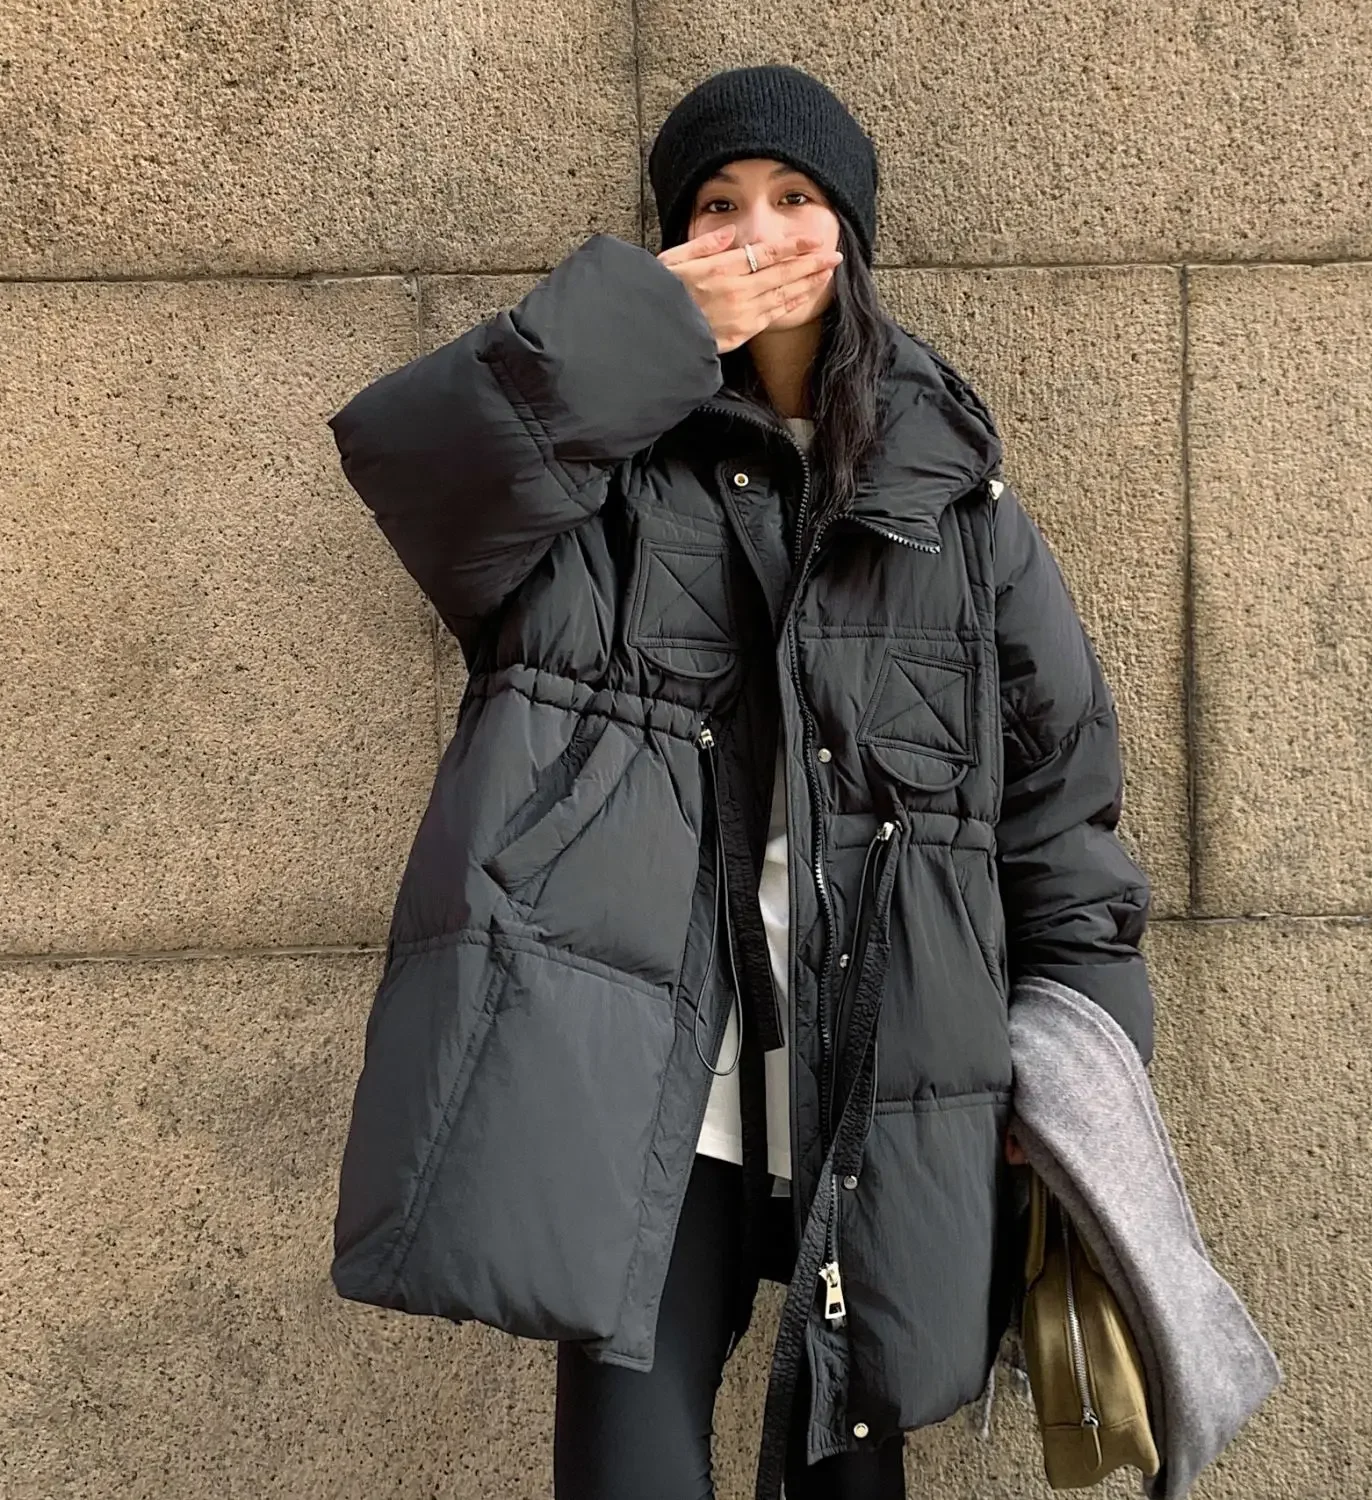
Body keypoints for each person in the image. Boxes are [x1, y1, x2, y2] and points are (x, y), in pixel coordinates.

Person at [325, 62, 1155, 1500]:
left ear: (851, 236)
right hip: (656, 1073)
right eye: (717, 207)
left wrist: (1083, 1052)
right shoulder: (592, 481)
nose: (758, 230)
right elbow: (424, 469)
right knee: (627, 1467)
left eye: (793, 199)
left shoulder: (951, 500)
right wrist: (652, 328)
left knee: (853, 1474)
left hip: (883, 1073)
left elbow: (1057, 796)